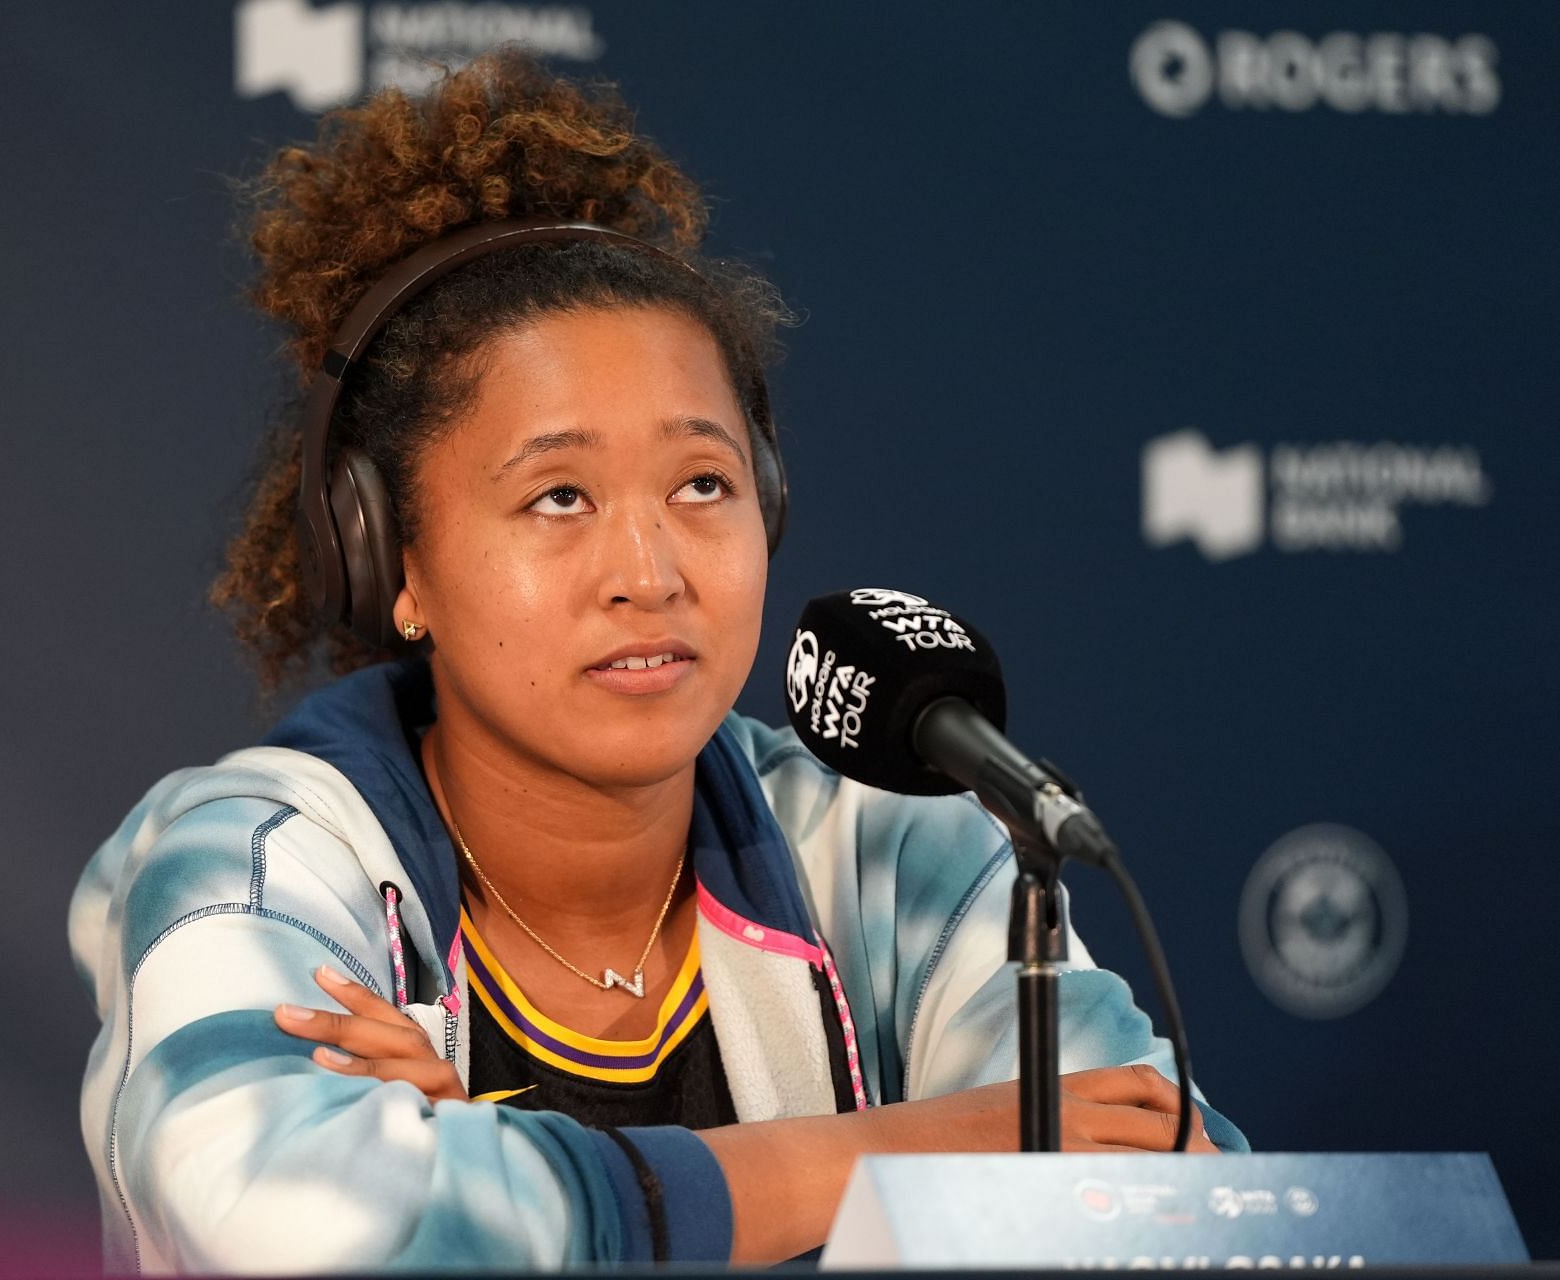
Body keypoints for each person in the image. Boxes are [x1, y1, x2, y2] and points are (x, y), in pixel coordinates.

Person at [68, 50, 1244, 1274]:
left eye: (702, 484)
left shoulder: (894, 844)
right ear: (392, 563)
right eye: (559, 495)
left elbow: (1172, 1203)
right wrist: (908, 1156)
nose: (652, 569)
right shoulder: (253, 851)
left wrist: (477, 1175)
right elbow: (300, 1217)